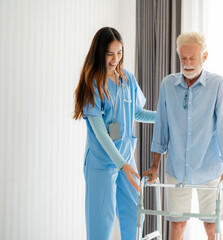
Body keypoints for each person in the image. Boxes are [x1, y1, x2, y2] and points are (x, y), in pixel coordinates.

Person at [144, 31, 223, 240]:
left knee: (210, 225)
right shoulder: (168, 84)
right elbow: (162, 126)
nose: (187, 63)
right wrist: (154, 165)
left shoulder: (218, 85)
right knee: (177, 225)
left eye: (192, 58)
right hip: (177, 167)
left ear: (204, 57)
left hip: (208, 167)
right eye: (183, 58)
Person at [73, 27, 155, 240]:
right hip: (102, 163)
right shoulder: (93, 83)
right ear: (99, 53)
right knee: (102, 224)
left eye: (119, 52)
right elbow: (100, 132)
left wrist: (163, 116)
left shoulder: (127, 78)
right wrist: (122, 165)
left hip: (127, 160)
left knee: (134, 217)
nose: (115, 59)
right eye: (110, 53)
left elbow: (137, 112)